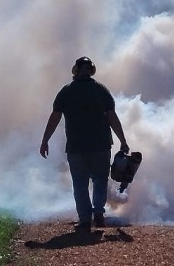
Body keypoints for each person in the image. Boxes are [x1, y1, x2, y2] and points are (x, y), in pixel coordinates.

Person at [40, 56, 129, 230]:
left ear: (76, 70)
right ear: (91, 70)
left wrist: (45, 140)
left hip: (77, 147)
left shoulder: (66, 91)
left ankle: (85, 220)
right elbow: (112, 117)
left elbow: (55, 117)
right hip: (100, 145)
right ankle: (98, 213)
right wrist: (123, 141)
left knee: (80, 185)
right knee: (100, 180)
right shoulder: (101, 90)